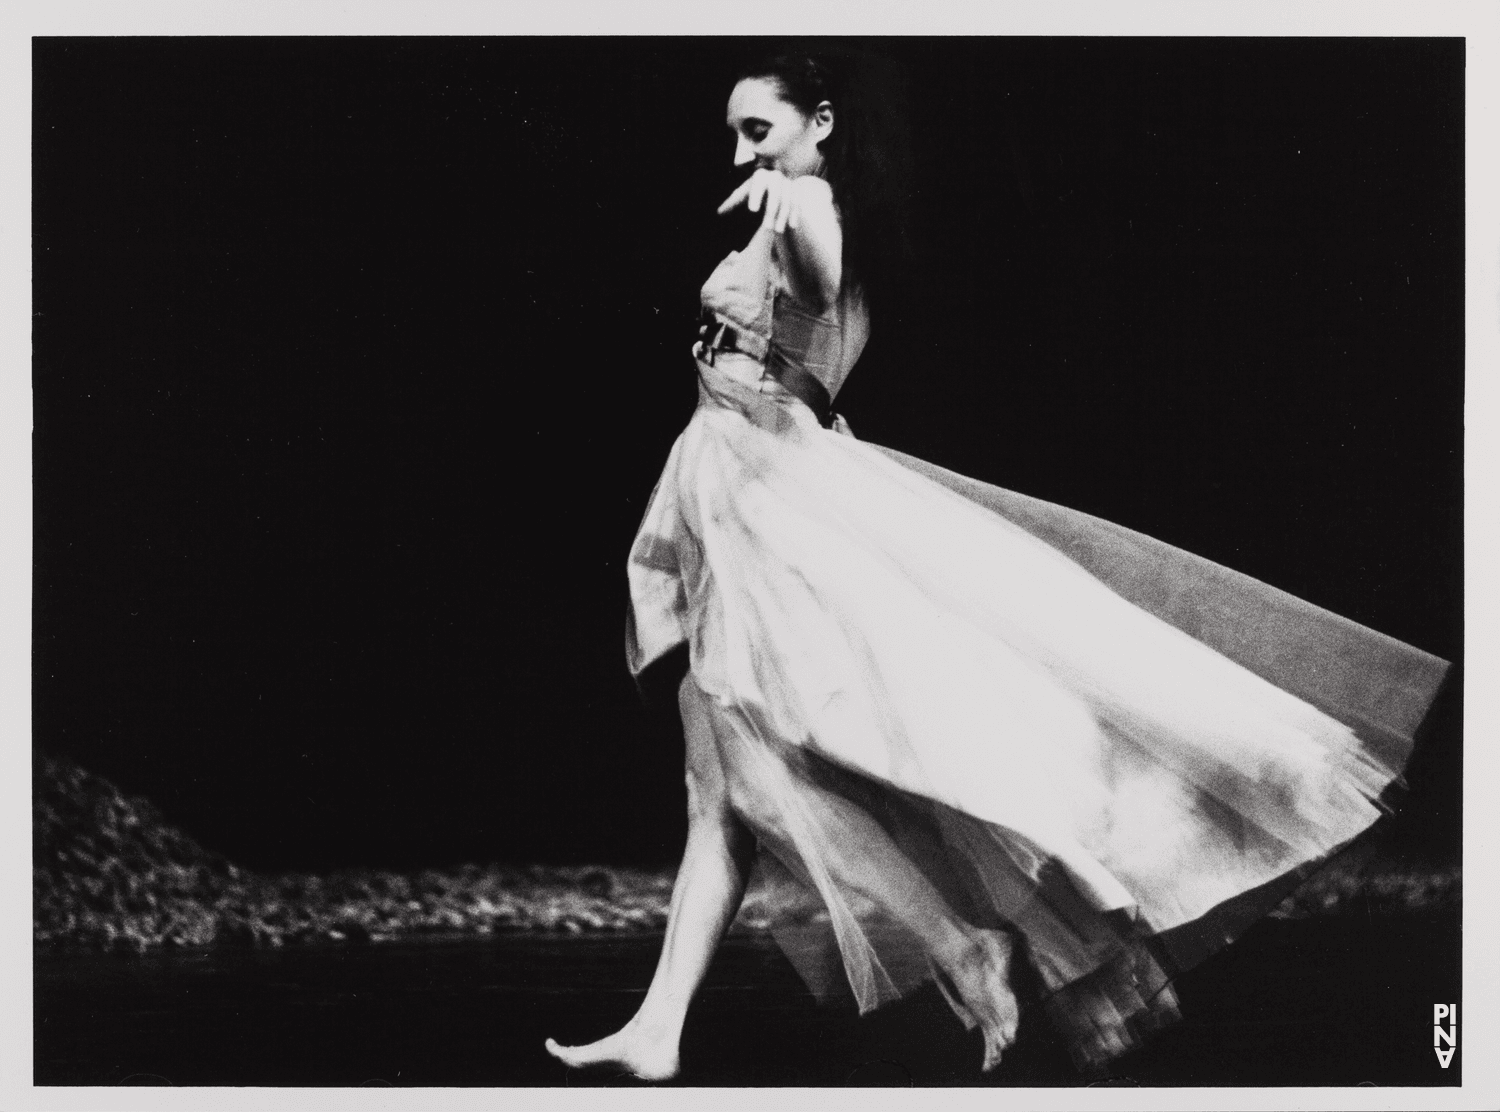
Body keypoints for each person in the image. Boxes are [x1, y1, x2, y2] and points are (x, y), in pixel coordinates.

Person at [544, 49, 1449, 1081]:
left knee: (751, 776)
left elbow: (823, 277)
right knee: (717, 786)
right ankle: (661, 1025)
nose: (741, 150)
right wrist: (775, 191)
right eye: (736, 134)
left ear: (821, 122)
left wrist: (790, 192)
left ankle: (962, 943)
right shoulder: (783, 200)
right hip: (722, 485)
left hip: (769, 497)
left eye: (760, 129)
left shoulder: (813, 210)